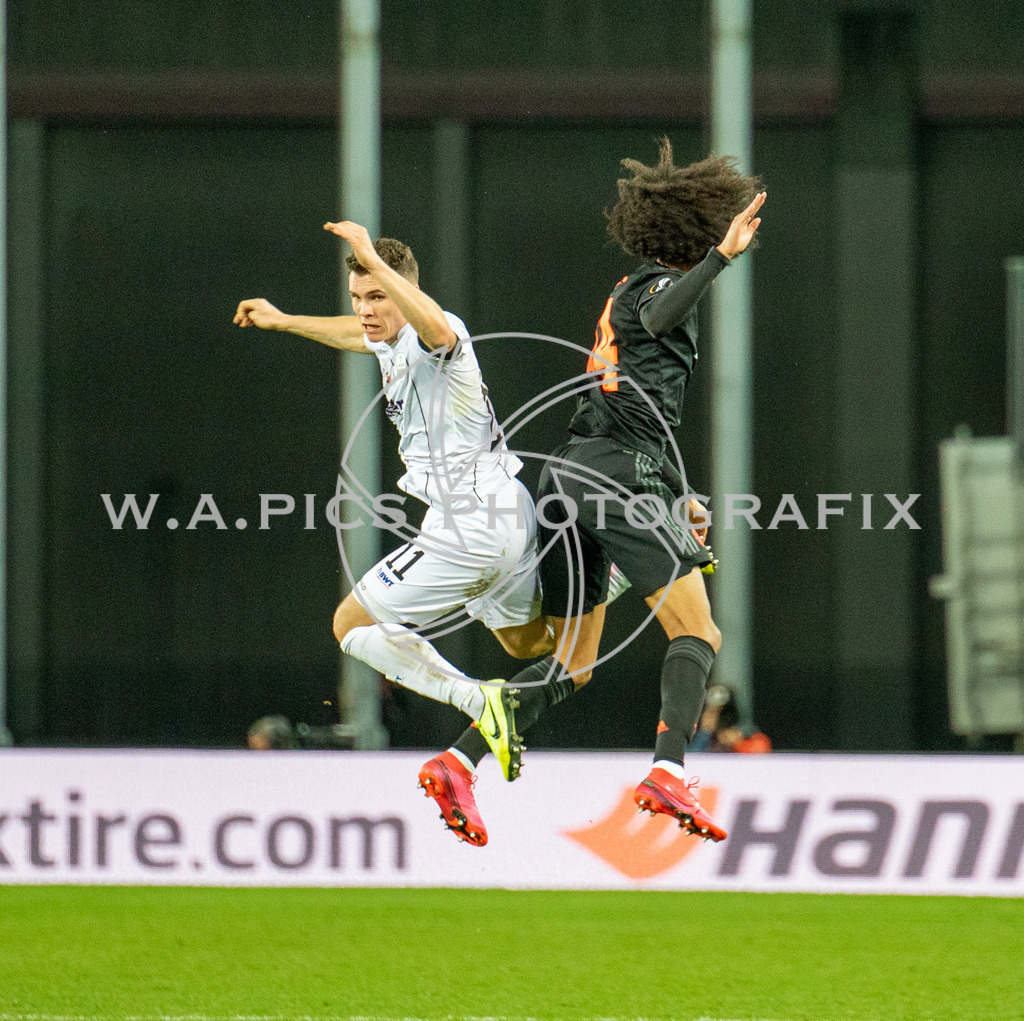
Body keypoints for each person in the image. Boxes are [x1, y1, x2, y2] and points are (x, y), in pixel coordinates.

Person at [426, 139, 765, 845]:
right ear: (696, 232)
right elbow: (661, 317)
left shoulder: (622, 288)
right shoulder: (650, 292)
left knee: (572, 663)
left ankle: (459, 759)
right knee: (699, 630)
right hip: (615, 474)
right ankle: (669, 771)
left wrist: (679, 490)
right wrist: (721, 260)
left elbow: (630, 409)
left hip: (574, 473)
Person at [234, 223, 556, 841]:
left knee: (349, 625)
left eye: (377, 297)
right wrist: (282, 320)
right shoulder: (387, 335)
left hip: (470, 524)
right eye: (358, 297)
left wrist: (371, 263)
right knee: (530, 645)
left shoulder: (444, 334)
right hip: (503, 513)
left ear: (406, 289)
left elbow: (432, 327)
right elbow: (359, 336)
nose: (366, 311)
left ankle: (475, 701)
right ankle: (627, 569)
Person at [691, 684, 772, 753]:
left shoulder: (748, 737)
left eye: (722, 712)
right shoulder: (701, 735)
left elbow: (761, 752)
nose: (716, 717)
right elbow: (691, 759)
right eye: (711, 712)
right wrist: (705, 732)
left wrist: (739, 743)